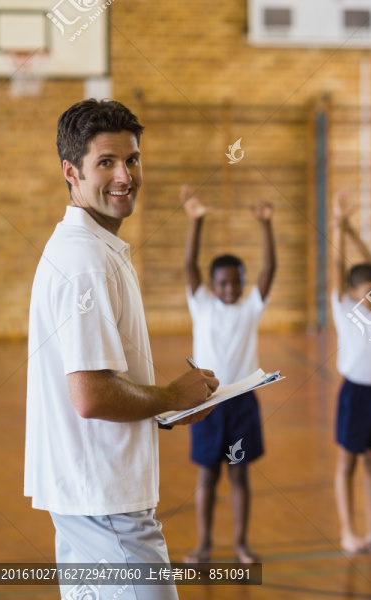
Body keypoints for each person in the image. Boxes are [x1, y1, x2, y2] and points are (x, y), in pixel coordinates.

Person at [25, 99, 218, 600]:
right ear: (71, 172)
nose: (124, 175)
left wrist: (164, 407)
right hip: (106, 504)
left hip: (86, 499)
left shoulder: (87, 247)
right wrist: (171, 395)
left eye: (131, 159)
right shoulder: (86, 260)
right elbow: (90, 396)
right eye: (105, 162)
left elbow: (101, 384)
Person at [181, 184, 276, 563]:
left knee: (239, 476)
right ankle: (204, 543)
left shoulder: (250, 308)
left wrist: (266, 225)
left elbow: (270, 268)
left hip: (241, 404)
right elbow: (189, 266)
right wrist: (196, 221)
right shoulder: (201, 305)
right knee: (207, 477)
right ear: (212, 285)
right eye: (222, 282)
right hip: (207, 404)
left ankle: (240, 543)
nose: (230, 288)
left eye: (236, 281)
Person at [330, 190, 371, 554]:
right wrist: (338, 228)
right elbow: (338, 272)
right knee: (348, 464)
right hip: (355, 394)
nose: (370, 298)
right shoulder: (344, 307)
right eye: (364, 293)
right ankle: (347, 532)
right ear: (352, 294)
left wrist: (354, 231)